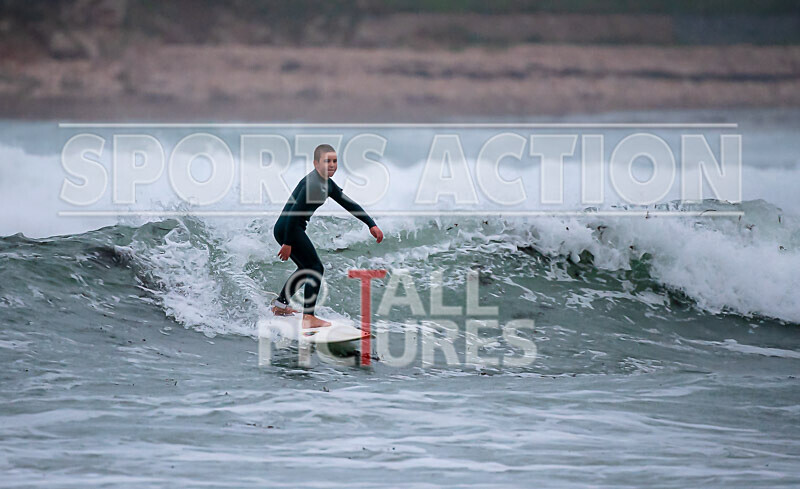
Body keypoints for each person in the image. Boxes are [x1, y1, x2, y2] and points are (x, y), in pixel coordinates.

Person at [272, 144, 384, 328]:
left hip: (289, 229)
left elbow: (348, 203)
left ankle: (280, 306)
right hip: (289, 229)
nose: (331, 165)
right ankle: (309, 318)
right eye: (326, 161)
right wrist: (288, 243)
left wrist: (371, 224)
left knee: (305, 267)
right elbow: (293, 213)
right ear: (316, 164)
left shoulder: (327, 184)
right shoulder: (313, 184)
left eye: (334, 161)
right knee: (315, 268)